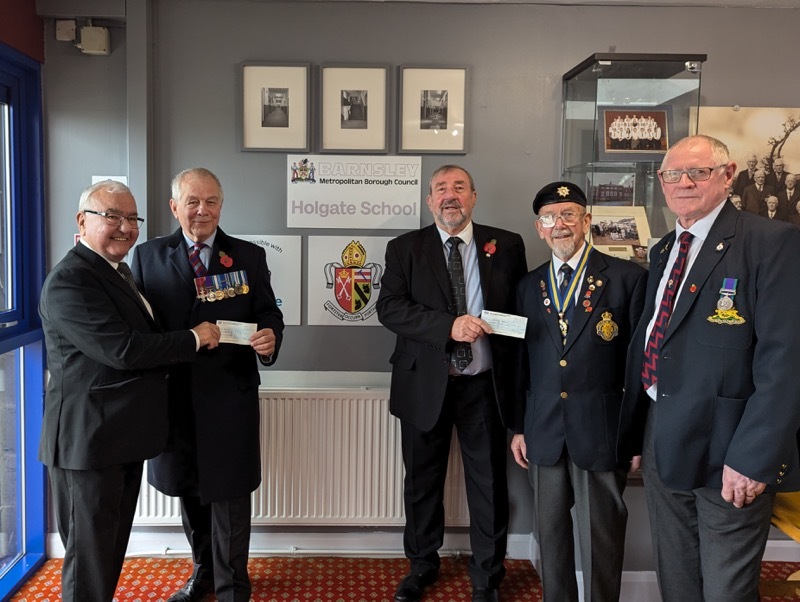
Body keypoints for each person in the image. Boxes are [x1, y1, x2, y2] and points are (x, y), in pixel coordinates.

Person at [618, 135, 800, 601]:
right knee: (676, 577)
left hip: (731, 447)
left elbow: (786, 360)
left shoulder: (772, 243)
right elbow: (653, 340)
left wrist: (754, 458)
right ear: (661, 182)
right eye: (673, 174)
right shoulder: (664, 250)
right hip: (663, 437)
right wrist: (637, 435)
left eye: (698, 171)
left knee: (726, 589)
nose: (684, 182)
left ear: (727, 175)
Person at [39, 180, 220, 602]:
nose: (124, 227)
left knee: (105, 555)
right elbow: (122, 349)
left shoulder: (114, 270)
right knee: (88, 565)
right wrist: (192, 338)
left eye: (132, 218)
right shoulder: (71, 280)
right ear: (82, 221)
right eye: (112, 216)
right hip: (88, 445)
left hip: (117, 438)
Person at [131, 168, 285, 602]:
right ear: (174, 206)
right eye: (193, 201)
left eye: (211, 201)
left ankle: (233, 586)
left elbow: (268, 312)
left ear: (222, 205)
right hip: (173, 397)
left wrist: (270, 337)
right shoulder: (146, 257)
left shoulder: (248, 257)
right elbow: (141, 329)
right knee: (190, 491)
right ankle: (203, 574)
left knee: (230, 496)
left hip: (229, 396)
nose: (202, 211)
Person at [376, 165, 527, 602]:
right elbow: (390, 309)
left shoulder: (507, 244)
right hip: (424, 384)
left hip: (484, 386)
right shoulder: (405, 248)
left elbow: (520, 310)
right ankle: (422, 566)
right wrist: (449, 326)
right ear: (429, 201)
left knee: (490, 484)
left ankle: (487, 576)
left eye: (459, 188)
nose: (450, 196)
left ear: (474, 197)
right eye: (440, 189)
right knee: (421, 482)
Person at [510, 182, 646, 602]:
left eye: (569, 215)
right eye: (550, 217)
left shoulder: (627, 279)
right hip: (544, 431)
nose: (560, 225)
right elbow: (521, 364)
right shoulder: (527, 286)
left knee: (600, 539)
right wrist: (519, 427)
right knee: (550, 538)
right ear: (539, 228)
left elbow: (639, 367)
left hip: (602, 433)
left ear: (587, 221)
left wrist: (637, 435)